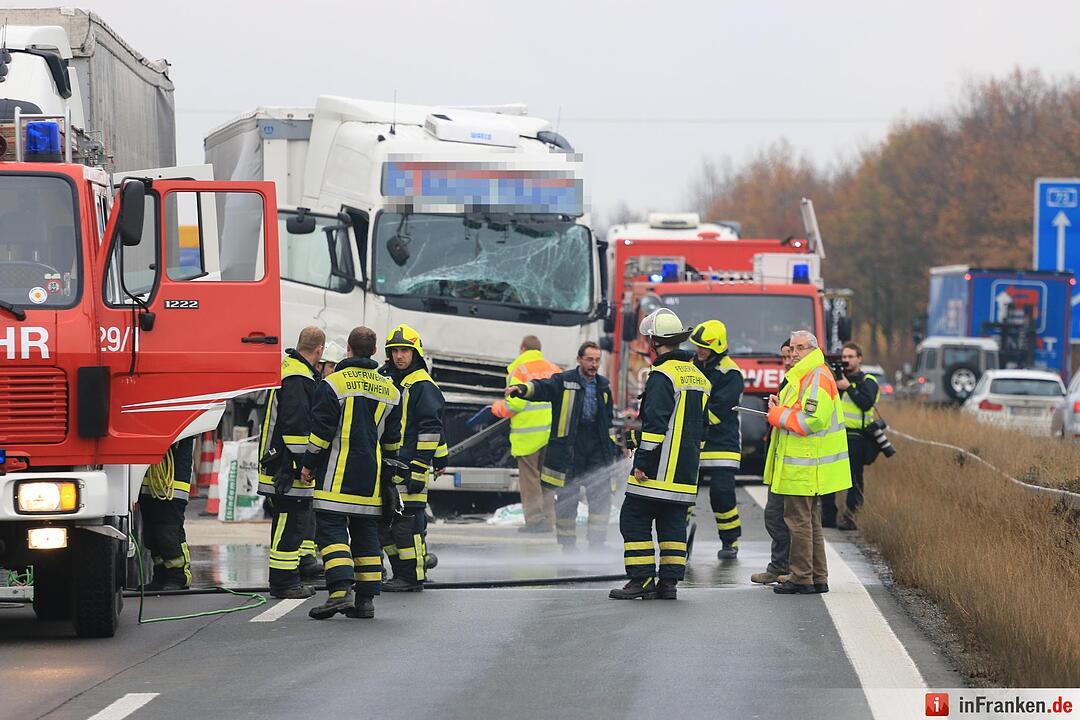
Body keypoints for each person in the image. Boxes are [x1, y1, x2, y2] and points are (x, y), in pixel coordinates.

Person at [301, 327, 402, 620]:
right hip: (371, 479)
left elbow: (320, 433)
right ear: (373, 351)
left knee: (331, 531)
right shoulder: (391, 390)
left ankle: (339, 591)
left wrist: (308, 464)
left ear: (348, 348)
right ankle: (366, 601)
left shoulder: (333, 384)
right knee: (366, 534)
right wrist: (389, 476)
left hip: (336, 476)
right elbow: (393, 442)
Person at [610, 308, 708, 600]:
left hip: (658, 471)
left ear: (654, 341)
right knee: (672, 523)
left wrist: (643, 462)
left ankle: (641, 580)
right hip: (685, 472)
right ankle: (668, 584)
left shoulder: (662, 375)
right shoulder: (699, 377)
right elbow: (690, 424)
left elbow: (655, 427)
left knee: (633, 518)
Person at [506, 341, 619, 550]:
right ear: (579, 359)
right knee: (568, 499)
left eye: (597, 360)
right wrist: (521, 389)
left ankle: (597, 544)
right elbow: (542, 387)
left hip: (597, 448)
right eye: (589, 360)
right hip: (571, 449)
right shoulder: (565, 381)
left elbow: (608, 421)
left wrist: (614, 450)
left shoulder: (603, 386)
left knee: (600, 500)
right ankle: (568, 545)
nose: (594, 365)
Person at [765, 331, 852, 595]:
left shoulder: (815, 375)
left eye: (799, 348)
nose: (794, 353)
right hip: (806, 463)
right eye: (792, 348)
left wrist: (777, 414)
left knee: (798, 521)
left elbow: (811, 420)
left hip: (804, 464)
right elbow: (801, 410)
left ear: (813, 348)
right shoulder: (808, 374)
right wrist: (781, 406)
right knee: (809, 521)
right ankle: (816, 576)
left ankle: (802, 578)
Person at [256, 327, 324, 599]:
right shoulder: (298, 377)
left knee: (288, 522)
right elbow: (296, 431)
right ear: (319, 350)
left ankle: (287, 578)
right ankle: (284, 583)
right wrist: (305, 465)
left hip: (279, 463)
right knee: (290, 523)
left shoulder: (290, 370)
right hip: (287, 467)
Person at [378, 324, 445, 592]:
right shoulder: (392, 380)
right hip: (390, 468)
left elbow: (432, 428)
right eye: (394, 351)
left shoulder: (421, 385)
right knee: (388, 526)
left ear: (415, 353)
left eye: (404, 350)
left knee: (410, 527)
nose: (399, 356)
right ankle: (401, 573)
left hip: (410, 469)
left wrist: (421, 467)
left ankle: (412, 576)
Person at [491, 336, 560, 533]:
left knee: (530, 480)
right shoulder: (554, 369)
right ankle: (548, 520)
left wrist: (496, 408)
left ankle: (535, 521)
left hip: (528, 435)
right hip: (551, 433)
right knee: (548, 480)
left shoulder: (519, 369)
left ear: (522, 349)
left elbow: (515, 403)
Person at [690, 320, 744, 560]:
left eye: (704, 346)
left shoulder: (730, 372)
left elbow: (720, 409)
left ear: (718, 346)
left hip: (722, 444)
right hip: (693, 442)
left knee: (721, 494)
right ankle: (678, 540)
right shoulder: (692, 366)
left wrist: (691, 420)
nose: (699, 350)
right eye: (697, 346)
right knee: (685, 494)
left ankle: (730, 540)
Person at [821, 341, 880, 531]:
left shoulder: (868, 380)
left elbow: (866, 403)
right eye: (843, 357)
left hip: (857, 436)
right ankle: (828, 516)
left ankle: (851, 517)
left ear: (859, 358)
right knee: (829, 475)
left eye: (850, 357)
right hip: (835, 434)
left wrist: (848, 387)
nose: (846, 361)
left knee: (854, 479)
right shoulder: (836, 380)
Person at [751, 339, 794, 585]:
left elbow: (802, 419)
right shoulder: (789, 380)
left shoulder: (803, 381)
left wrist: (777, 412)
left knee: (790, 520)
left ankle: (792, 570)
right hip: (783, 459)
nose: (787, 361)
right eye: (784, 357)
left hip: (797, 464)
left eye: (790, 355)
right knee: (775, 516)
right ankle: (780, 567)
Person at [139, 437, 197, 590]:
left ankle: (179, 576)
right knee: (151, 532)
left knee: (168, 530)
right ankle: (160, 575)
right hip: (149, 476)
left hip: (173, 479)